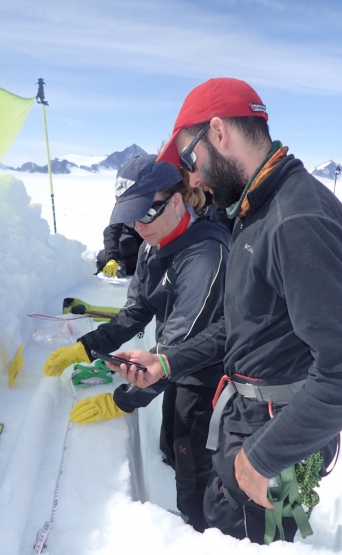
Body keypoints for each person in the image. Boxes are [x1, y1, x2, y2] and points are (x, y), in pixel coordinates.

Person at [109, 78, 342, 545]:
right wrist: (166, 361)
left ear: (218, 132)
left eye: (190, 161)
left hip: (276, 436)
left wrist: (262, 458)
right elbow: (246, 324)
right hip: (252, 420)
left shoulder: (296, 220)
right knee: (254, 550)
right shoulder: (257, 209)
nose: (192, 179)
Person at [43, 154, 231, 532]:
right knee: (172, 448)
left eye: (146, 214)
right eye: (132, 216)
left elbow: (178, 352)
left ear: (177, 201)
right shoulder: (153, 243)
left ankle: (200, 535)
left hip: (205, 380)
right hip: (171, 365)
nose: (138, 227)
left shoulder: (204, 256)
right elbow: (138, 310)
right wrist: (86, 346)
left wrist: (122, 401)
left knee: (194, 472)